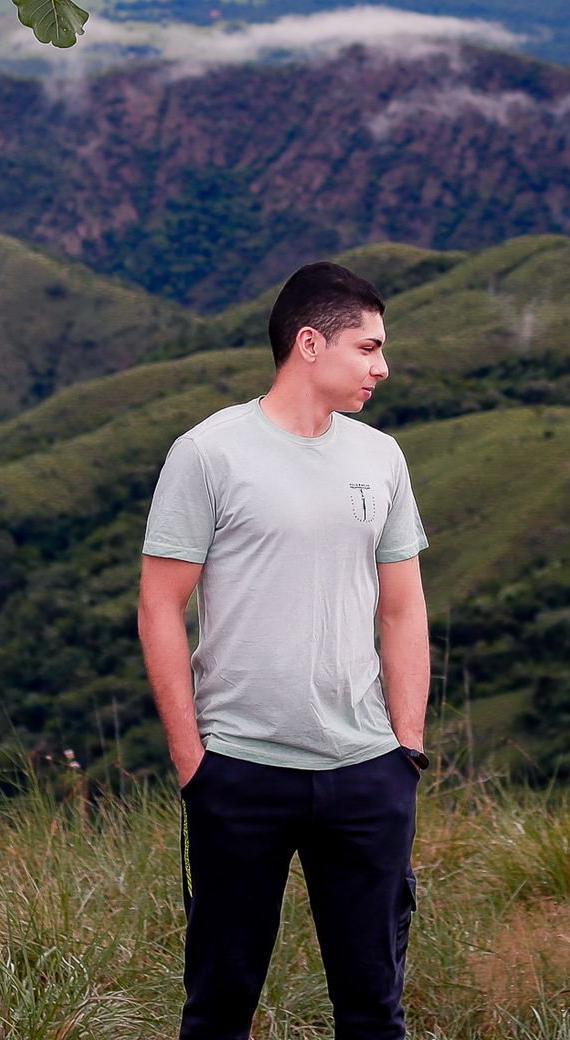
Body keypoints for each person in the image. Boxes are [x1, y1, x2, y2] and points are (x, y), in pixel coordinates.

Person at [138, 261, 431, 1040]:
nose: (382, 366)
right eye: (367, 348)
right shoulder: (208, 454)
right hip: (239, 774)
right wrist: (192, 761)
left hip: (368, 776)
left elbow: (404, 611)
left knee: (374, 1011)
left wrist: (407, 750)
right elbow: (159, 607)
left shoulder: (382, 457)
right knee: (218, 1010)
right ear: (309, 343)